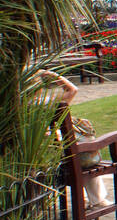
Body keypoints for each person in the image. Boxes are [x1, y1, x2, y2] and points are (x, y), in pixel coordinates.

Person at [34, 69, 107, 207]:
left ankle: (90, 200)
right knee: (86, 152)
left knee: (76, 150)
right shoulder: (46, 104)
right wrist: (51, 75)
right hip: (59, 158)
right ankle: (97, 200)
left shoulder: (20, 107)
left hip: (41, 158)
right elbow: (72, 89)